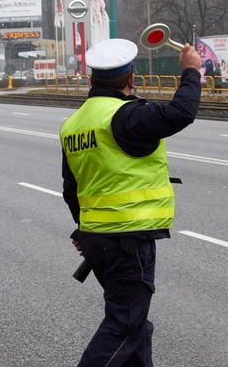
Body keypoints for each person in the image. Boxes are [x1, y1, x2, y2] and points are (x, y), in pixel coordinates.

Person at [60, 38, 202, 367]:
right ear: (131, 80)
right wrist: (192, 71)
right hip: (127, 239)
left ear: (92, 80)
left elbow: (71, 188)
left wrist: (83, 228)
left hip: (97, 240)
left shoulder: (74, 125)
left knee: (136, 324)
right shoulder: (126, 117)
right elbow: (182, 112)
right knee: (125, 324)